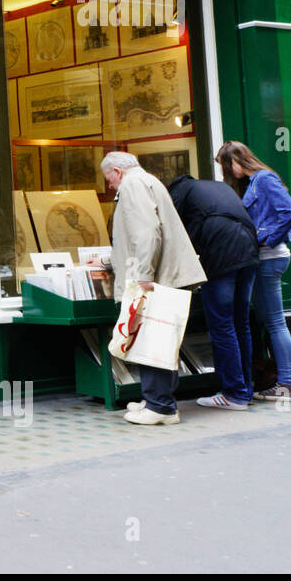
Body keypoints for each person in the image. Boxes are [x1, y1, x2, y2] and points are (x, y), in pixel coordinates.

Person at [102, 152, 207, 425]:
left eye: (108, 180)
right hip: (165, 275)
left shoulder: (132, 185)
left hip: (154, 278)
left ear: (117, 171)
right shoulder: (149, 181)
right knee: (160, 339)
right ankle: (157, 401)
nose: (110, 186)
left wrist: (144, 275)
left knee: (151, 340)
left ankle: (161, 408)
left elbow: (147, 232)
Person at [216, 141, 291, 401]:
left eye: (225, 166)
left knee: (275, 322)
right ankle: (284, 382)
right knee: (271, 322)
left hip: (270, 257)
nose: (227, 173)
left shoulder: (263, 179)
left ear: (235, 161)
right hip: (266, 258)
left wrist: (268, 239)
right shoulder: (255, 182)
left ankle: (287, 385)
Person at [167, 174, 259, 409]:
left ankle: (234, 394)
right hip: (249, 250)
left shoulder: (181, 191)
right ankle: (245, 389)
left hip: (221, 255)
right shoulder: (217, 187)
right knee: (241, 324)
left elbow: (172, 229)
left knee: (222, 325)